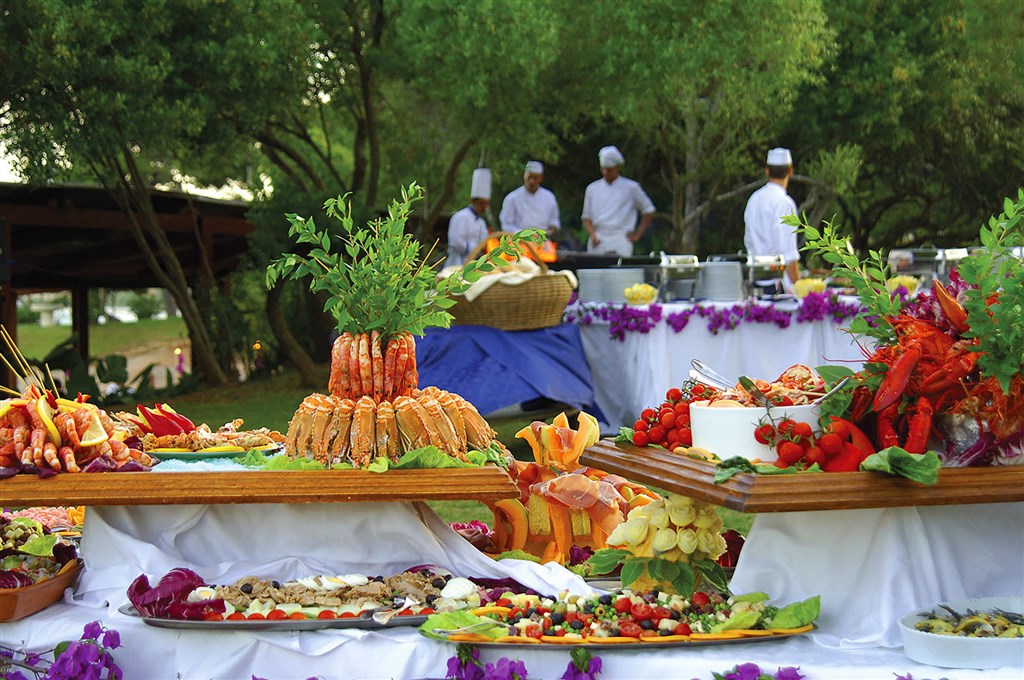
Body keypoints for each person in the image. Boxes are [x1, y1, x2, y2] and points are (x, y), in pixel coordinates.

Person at [743, 147, 801, 293]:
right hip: (776, 285)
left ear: (767, 171)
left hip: (754, 282)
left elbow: (748, 240)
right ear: (790, 171)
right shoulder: (785, 203)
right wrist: (799, 287)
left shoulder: (754, 199)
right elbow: (788, 253)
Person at [581, 146, 656, 257]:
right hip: (599, 238)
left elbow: (649, 210)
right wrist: (592, 234)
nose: (606, 172)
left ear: (618, 167)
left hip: (621, 238)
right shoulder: (592, 189)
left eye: (609, 169)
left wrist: (637, 235)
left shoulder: (631, 188)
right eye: (603, 169)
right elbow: (586, 218)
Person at [498, 160, 560, 237]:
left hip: (543, 243)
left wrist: (548, 232)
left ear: (541, 178)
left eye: (535, 178)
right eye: (529, 177)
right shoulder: (512, 198)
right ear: (524, 176)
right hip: (519, 243)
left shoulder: (549, 197)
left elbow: (554, 222)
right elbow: (506, 225)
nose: (531, 181)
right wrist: (526, 235)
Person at [446, 168, 491, 267]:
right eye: (481, 203)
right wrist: (477, 248)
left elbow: (485, 242)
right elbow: (456, 242)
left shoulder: (481, 222)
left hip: (474, 266)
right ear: (473, 201)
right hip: (456, 265)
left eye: (486, 204)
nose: (484, 207)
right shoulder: (460, 217)